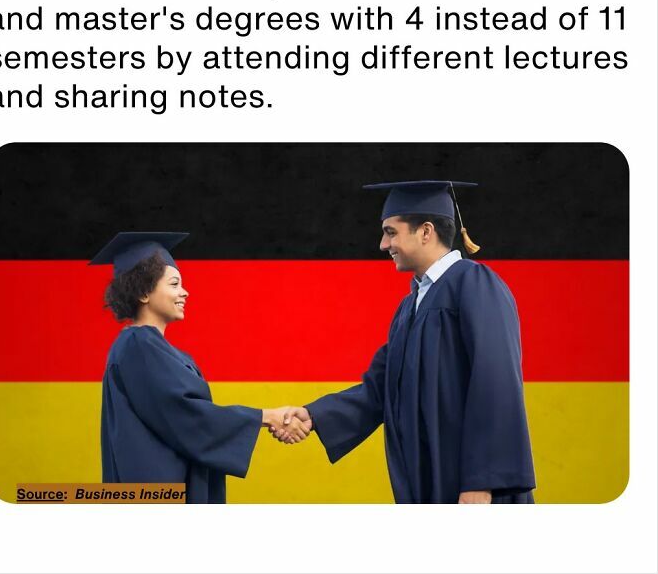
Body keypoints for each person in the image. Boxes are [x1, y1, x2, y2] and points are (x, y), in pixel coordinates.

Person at [275, 181, 536, 504]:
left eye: (391, 232)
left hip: (469, 484)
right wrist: (314, 416)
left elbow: (497, 385)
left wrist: (482, 482)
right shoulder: (410, 306)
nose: (384, 244)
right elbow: (380, 388)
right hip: (425, 478)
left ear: (425, 232)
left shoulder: (474, 285)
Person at [91, 231, 308, 503]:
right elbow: (185, 415)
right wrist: (266, 417)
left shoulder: (162, 350)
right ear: (144, 291)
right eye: (174, 283)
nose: (185, 292)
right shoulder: (138, 345)